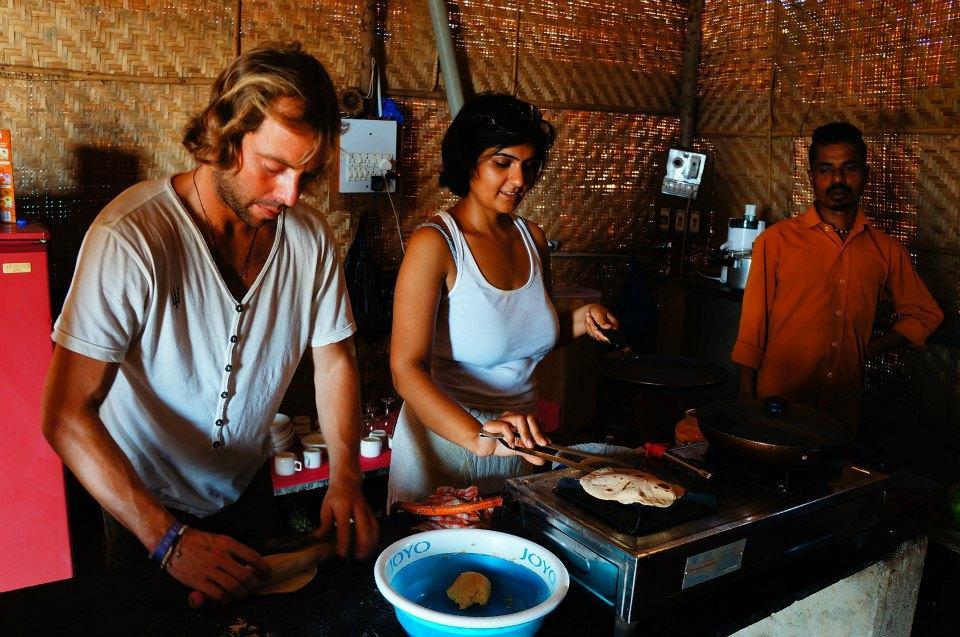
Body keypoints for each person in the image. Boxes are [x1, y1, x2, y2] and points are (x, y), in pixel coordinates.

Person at [41, 42, 377, 604]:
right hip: (141, 509)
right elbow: (65, 414)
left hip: (245, 490)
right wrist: (168, 540)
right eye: (274, 167)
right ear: (224, 135)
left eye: (306, 173)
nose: (290, 195)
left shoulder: (310, 241)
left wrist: (345, 474)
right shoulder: (133, 237)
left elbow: (334, 359)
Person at [387, 93, 619, 506]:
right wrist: (477, 437)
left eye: (528, 166)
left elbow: (521, 337)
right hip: (448, 441)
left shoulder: (534, 240)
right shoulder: (436, 245)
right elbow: (406, 369)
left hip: (520, 442)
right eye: (503, 163)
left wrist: (581, 320)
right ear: (468, 160)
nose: (519, 180)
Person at [732, 121, 943, 426]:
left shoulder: (886, 250)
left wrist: (865, 350)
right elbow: (753, 325)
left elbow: (925, 314)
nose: (838, 180)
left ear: (865, 175)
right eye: (826, 169)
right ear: (811, 177)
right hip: (777, 405)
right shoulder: (776, 241)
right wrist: (746, 395)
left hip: (842, 412)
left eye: (849, 168)